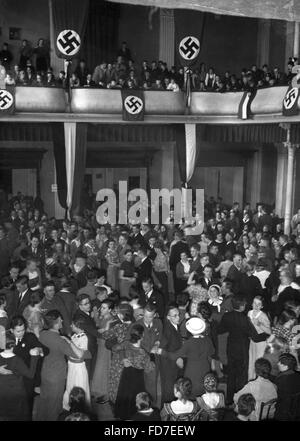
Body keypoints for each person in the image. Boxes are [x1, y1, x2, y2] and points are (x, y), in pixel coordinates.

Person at [218, 294, 270, 404]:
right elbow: (255, 337)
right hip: (242, 348)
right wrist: (266, 335)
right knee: (242, 374)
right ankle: (239, 399)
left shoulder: (227, 316)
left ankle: (228, 400)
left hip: (231, 346)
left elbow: (220, 330)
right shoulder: (245, 319)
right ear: (241, 306)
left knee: (231, 374)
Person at [36, 310, 85, 421]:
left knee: (44, 400)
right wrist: (69, 341)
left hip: (45, 372)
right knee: (54, 404)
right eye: (60, 319)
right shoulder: (60, 340)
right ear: (56, 322)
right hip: (56, 375)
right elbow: (79, 355)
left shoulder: (43, 334)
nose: (62, 320)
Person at [154, 317, 214, 397]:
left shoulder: (189, 343)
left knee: (191, 390)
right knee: (203, 391)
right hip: (205, 367)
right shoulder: (208, 340)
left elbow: (174, 356)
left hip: (192, 369)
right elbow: (212, 351)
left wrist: (162, 351)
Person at [114, 324, 155, 420]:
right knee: (136, 396)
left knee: (125, 394)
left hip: (126, 374)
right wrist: (152, 357)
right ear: (142, 336)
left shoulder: (126, 344)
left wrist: (123, 357)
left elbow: (115, 348)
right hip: (137, 377)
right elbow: (149, 368)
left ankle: (123, 415)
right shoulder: (142, 352)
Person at [0, 334, 39, 421]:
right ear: (15, 344)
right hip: (16, 394)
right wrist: (34, 356)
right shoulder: (17, 360)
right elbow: (30, 374)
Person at [101, 303, 133, 404]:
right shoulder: (136, 325)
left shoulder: (119, 327)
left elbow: (105, 335)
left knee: (116, 380)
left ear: (122, 315)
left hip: (119, 357)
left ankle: (115, 402)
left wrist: (107, 325)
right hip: (132, 356)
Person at [62, 317, 91, 411]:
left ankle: (80, 407)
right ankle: (68, 405)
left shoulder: (84, 338)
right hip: (71, 365)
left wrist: (69, 342)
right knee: (70, 384)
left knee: (79, 385)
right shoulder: (74, 336)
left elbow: (79, 354)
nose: (71, 326)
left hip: (78, 366)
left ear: (78, 327)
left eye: (73, 325)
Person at [91, 299, 115, 404]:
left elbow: (103, 333)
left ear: (110, 309)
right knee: (100, 368)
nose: (102, 309)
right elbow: (97, 326)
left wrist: (105, 328)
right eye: (102, 307)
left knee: (104, 368)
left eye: (104, 308)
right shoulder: (103, 317)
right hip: (100, 346)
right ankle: (100, 392)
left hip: (105, 347)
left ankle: (106, 394)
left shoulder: (111, 319)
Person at [160, 305, 183, 403]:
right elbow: (162, 348)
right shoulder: (167, 330)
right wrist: (177, 358)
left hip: (173, 363)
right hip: (169, 365)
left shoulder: (174, 326)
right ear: (168, 317)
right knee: (169, 390)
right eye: (175, 316)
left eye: (178, 315)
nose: (178, 318)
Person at [247, 296, 271, 380]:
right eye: (254, 303)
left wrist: (259, 324)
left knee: (258, 363)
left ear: (262, 306)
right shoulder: (249, 313)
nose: (256, 306)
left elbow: (269, 331)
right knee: (251, 361)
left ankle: (259, 381)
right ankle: (250, 380)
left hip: (261, 343)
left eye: (259, 304)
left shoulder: (263, 316)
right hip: (253, 341)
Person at [275, 353, 300, 420]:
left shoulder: (281, 380)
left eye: (280, 363)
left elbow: (277, 397)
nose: (278, 364)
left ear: (286, 366)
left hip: (283, 413)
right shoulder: (297, 375)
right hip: (295, 411)